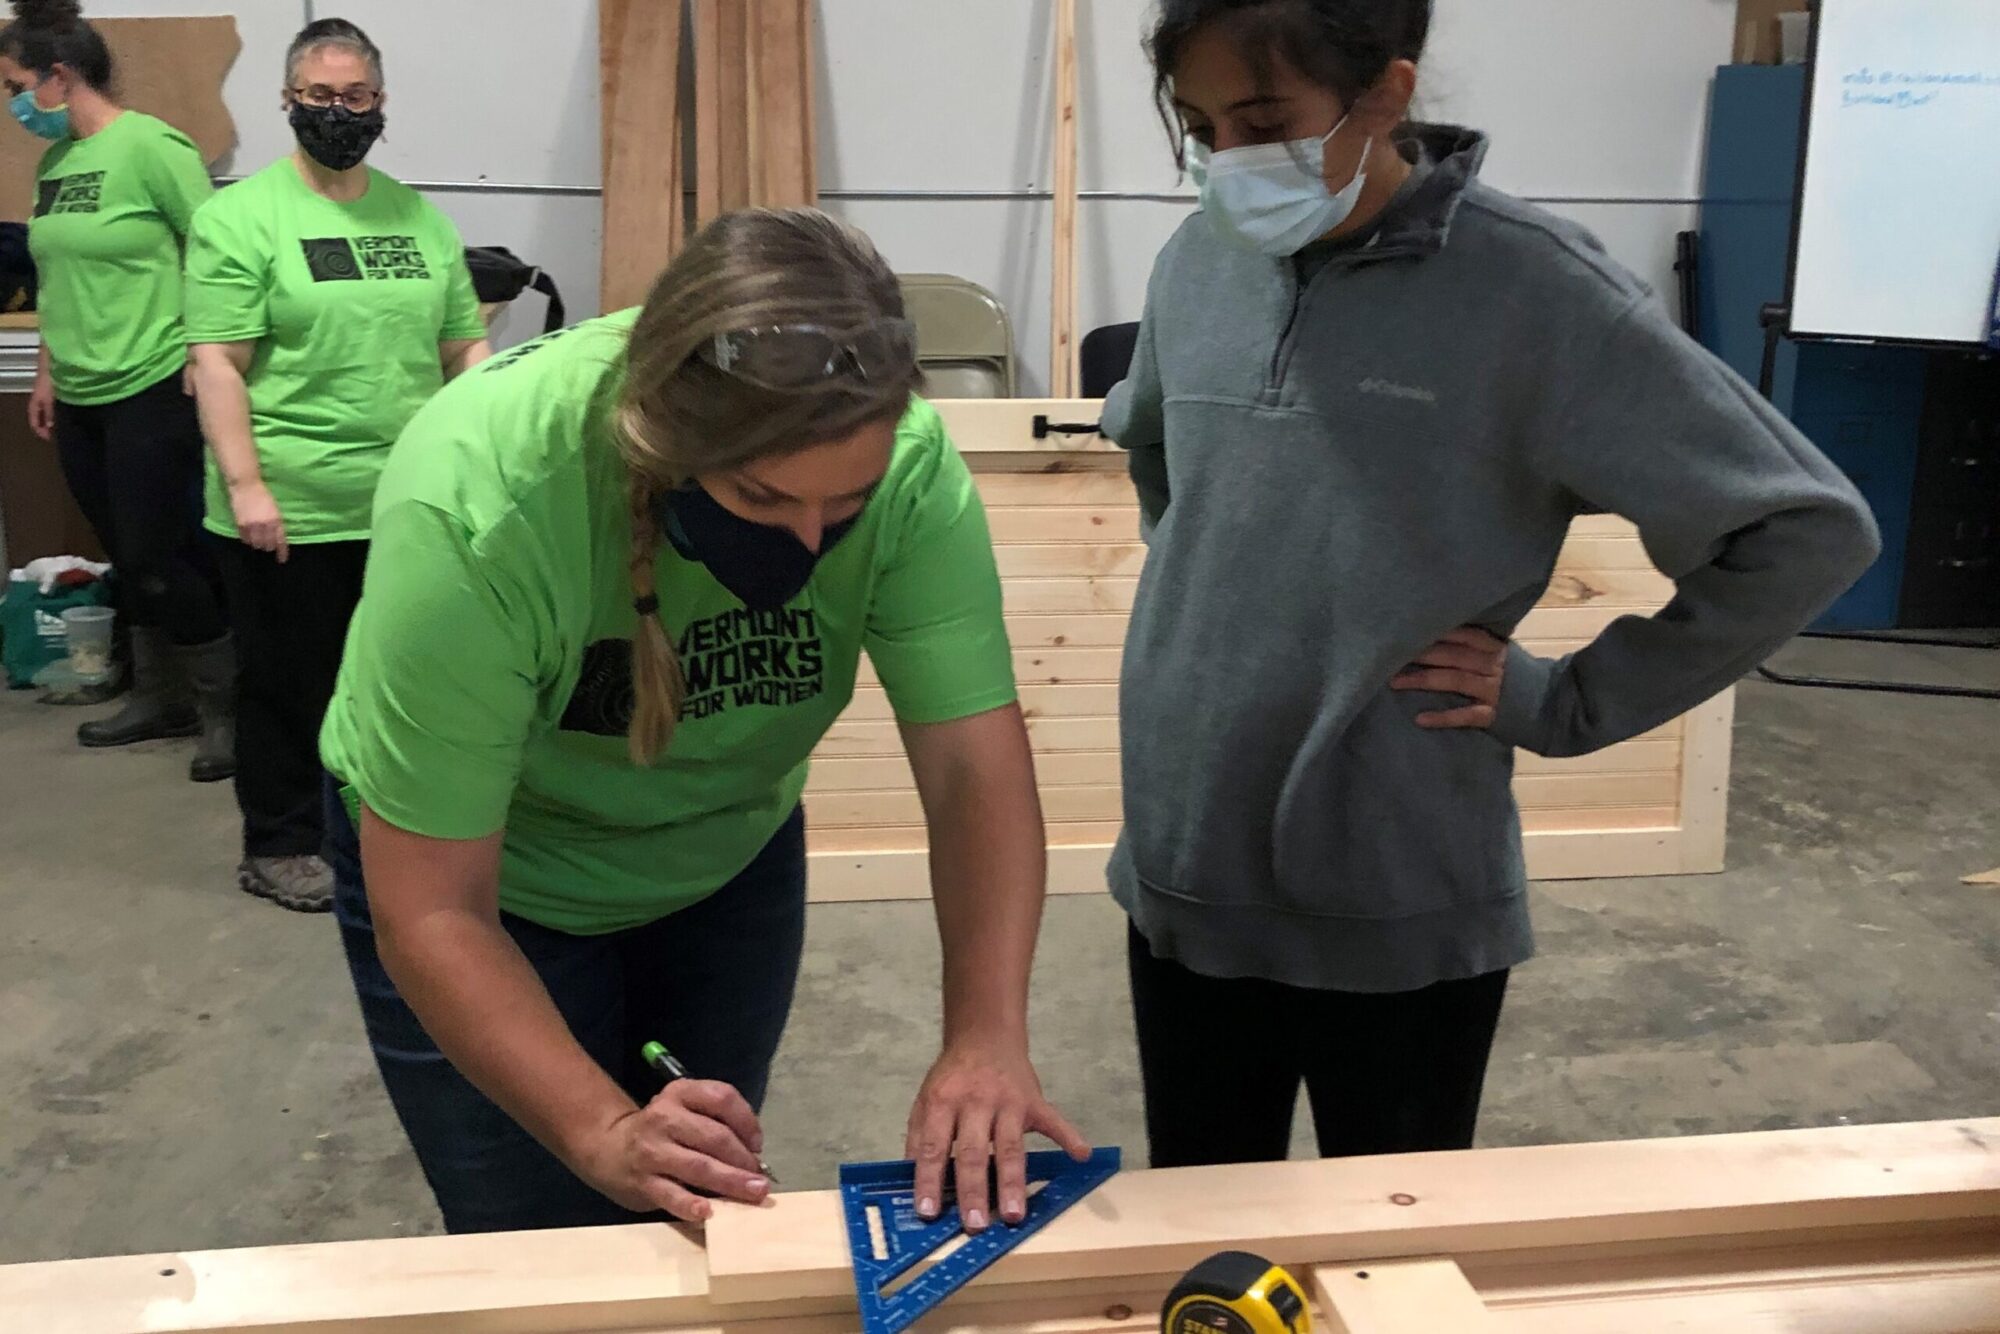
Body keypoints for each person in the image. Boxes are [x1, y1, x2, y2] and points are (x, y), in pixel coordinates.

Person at [1103, 0, 1881, 1170]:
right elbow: (1154, 446)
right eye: (1199, 125)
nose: (1228, 159)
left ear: (1385, 93)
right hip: (1185, 873)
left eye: (1262, 119)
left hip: (1396, 895)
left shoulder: (1536, 293)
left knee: (1399, 1250)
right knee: (1210, 1245)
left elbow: (1803, 528)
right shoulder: (1197, 260)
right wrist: (1213, 624)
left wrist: (1562, 699)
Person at [319, 208, 1089, 1234]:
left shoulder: (906, 463)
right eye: (763, 498)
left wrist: (986, 1031)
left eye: (843, 505)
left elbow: (969, 769)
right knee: (544, 1243)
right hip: (493, 888)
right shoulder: (479, 498)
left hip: (725, 856)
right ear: (665, 440)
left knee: (696, 1198)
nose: (811, 541)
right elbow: (433, 908)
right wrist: (599, 1128)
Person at [185, 18, 490, 913]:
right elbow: (216, 365)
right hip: (291, 502)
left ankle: (376, 830)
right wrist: (247, 485)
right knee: (289, 680)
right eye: (319, 97)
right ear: (287, 101)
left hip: (407, 503)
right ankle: (279, 841)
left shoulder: (418, 217)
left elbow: (464, 348)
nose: (338, 112)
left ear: (380, 103)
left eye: (355, 97)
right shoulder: (240, 218)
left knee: (396, 679)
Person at [2, 0, 233, 778]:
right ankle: (158, 696)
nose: (14, 105)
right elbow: (55, 276)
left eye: (17, 85)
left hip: (152, 381)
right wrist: (45, 370)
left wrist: (207, 357)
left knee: (161, 549)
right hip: (79, 392)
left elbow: (218, 254)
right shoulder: (56, 163)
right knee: (125, 556)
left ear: (61, 77)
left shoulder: (153, 148)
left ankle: (225, 709)